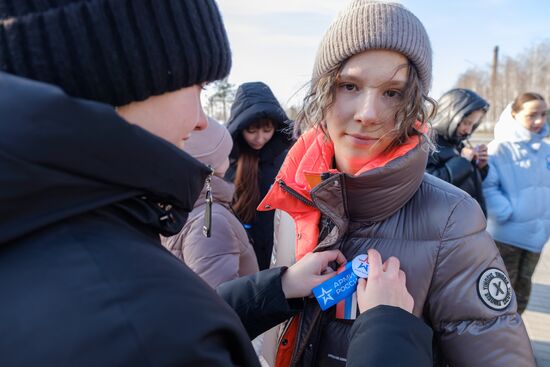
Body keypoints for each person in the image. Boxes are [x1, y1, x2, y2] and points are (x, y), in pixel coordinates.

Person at [0, 1, 434, 366]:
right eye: (197, 86)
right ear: (125, 79)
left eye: (394, 93)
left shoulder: (58, 235)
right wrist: (389, 332)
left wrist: (276, 287)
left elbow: (173, 319)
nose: (201, 120)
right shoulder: (129, 318)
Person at [258, 1, 535, 366]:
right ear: (322, 90)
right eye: (349, 85)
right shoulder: (295, 191)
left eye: (392, 93)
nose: (368, 114)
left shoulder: (452, 219)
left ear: (415, 103)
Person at [161, 117, 259, 288]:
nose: (230, 160)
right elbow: (220, 301)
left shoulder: (174, 205)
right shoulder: (210, 222)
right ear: (212, 166)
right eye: (226, 155)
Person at [483, 92, 550, 314]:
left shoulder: (546, 150)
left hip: (537, 236)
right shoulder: (499, 148)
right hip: (506, 237)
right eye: (532, 115)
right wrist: (506, 213)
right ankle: (491, 344)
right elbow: (487, 186)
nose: (539, 121)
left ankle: (513, 339)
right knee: (499, 295)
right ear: (514, 114)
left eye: (543, 114)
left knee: (522, 293)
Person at [225, 81, 293, 270]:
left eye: (267, 130)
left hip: (279, 250)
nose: (260, 138)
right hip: (243, 254)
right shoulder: (227, 163)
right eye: (251, 131)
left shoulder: (286, 160)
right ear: (239, 129)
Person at [427, 88, 490, 214]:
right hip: (448, 226)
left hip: (468, 221)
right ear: (449, 116)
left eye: (473, 125)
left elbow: (466, 182)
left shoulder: (458, 143)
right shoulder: (428, 145)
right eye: (466, 123)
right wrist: (463, 161)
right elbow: (429, 187)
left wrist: (480, 167)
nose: (469, 130)